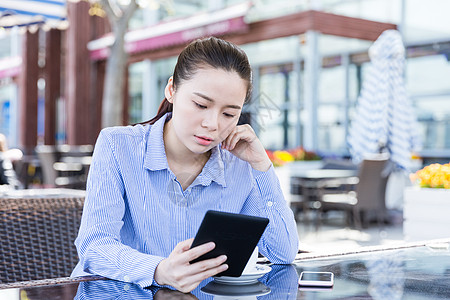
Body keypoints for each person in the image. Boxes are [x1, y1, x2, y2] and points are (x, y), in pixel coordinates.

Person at [71, 36, 299, 293]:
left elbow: (283, 253)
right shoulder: (118, 146)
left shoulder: (240, 163)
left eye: (229, 114)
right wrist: (160, 270)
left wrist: (262, 166)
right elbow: (95, 247)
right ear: (172, 89)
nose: (213, 124)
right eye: (201, 105)